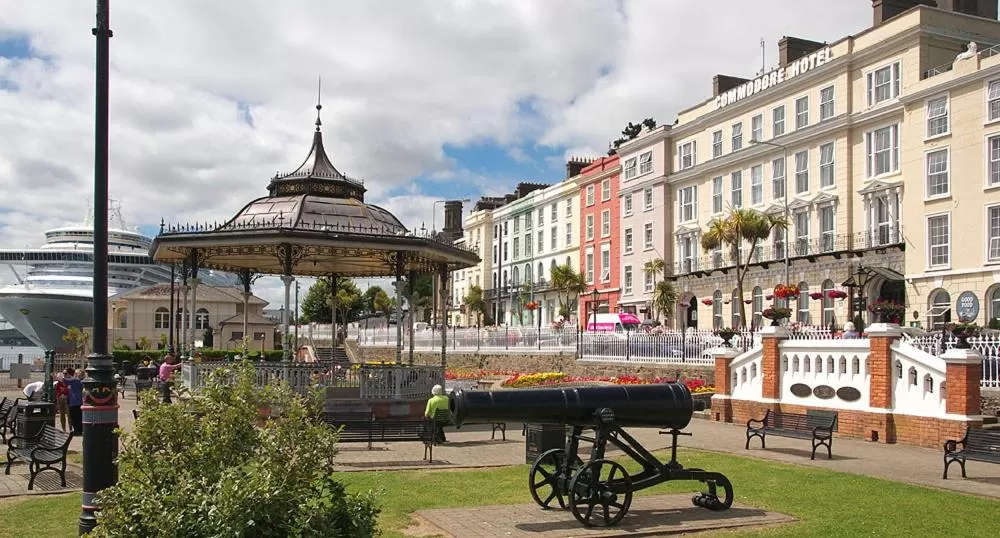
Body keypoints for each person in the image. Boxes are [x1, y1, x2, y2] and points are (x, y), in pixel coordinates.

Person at [63, 368, 84, 435]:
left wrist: (54, 375)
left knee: (75, 417)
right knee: (79, 417)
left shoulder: (76, 381)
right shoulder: (81, 381)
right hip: (78, 402)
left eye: (76, 373)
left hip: (74, 402)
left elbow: (64, 380)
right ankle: (79, 430)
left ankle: (77, 431)